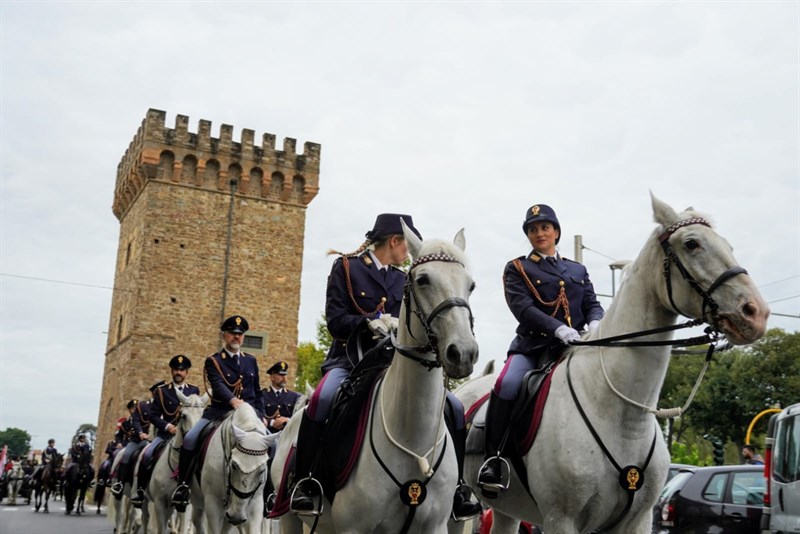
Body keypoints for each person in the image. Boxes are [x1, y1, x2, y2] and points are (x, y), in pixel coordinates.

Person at [289, 213, 481, 520]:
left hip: (392, 363)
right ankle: (305, 482)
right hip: (349, 361)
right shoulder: (347, 268)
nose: (408, 253)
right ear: (395, 241)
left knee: (455, 407)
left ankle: (458, 489)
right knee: (322, 399)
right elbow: (336, 320)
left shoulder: (402, 278)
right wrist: (368, 323)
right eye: (406, 245)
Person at [478, 204, 604, 496]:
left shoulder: (577, 269)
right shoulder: (518, 267)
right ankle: (494, 459)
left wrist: (596, 322)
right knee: (506, 384)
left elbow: (591, 303)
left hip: (576, 347)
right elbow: (523, 308)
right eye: (533, 229)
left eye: (545, 227)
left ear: (556, 232)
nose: (539, 233)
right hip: (533, 348)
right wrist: (558, 329)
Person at [171, 315, 266, 511]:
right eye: (232, 333)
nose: (236, 337)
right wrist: (232, 401)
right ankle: (183, 486)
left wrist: (261, 415)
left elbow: (257, 391)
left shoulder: (251, 360)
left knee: (267, 442)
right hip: (218, 412)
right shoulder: (213, 361)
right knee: (190, 438)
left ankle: (269, 491)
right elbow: (218, 385)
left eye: (240, 334)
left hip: (247, 414)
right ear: (225, 335)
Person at [131, 355, 200, 505]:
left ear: (187, 372)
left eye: (182, 370)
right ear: (171, 371)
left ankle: (195, 492)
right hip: (164, 436)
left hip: (187, 438)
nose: (178, 373)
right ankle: (141, 490)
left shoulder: (194, 390)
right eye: (176, 369)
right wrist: (168, 426)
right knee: (147, 454)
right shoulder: (161, 391)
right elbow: (153, 416)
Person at [111, 399, 151, 495]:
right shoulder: (126, 423)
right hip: (135, 442)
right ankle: (119, 482)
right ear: (129, 410)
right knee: (126, 455)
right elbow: (119, 435)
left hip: (146, 442)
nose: (134, 410)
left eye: (136, 408)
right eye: (132, 408)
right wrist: (119, 443)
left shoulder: (147, 418)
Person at [262, 360, 301, 433]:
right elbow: (258, 415)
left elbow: (298, 416)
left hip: (286, 436)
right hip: (267, 436)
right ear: (272, 377)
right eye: (280, 375)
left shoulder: (293, 396)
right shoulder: (262, 395)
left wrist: (287, 420)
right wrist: (272, 423)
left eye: (285, 374)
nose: (284, 377)